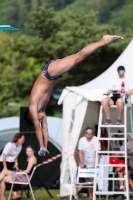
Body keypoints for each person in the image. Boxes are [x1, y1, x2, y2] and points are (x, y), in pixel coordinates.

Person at [24, 34, 124, 156]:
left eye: (37, 120)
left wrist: (40, 146)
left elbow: (38, 129)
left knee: (79, 57)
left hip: (49, 73)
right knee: (78, 58)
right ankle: (102, 42)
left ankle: (103, 40)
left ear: (31, 116)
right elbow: (44, 129)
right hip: (53, 74)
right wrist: (44, 147)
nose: (41, 120)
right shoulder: (42, 111)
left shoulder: (33, 106)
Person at [78, 127, 101, 200]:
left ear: (93, 134)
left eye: (90, 133)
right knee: (89, 179)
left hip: (94, 161)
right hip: (86, 162)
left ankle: (79, 189)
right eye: (87, 133)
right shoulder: (82, 140)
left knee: (92, 180)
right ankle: (91, 196)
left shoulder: (96, 140)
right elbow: (80, 152)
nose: (88, 134)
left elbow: (97, 153)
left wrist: (96, 163)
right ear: (85, 133)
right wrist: (82, 162)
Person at [0, 133, 25, 200]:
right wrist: (5, 167)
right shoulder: (9, 145)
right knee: (2, 179)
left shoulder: (20, 146)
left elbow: (16, 156)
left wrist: (16, 164)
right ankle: (2, 197)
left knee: (15, 175)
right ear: (18, 138)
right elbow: (4, 156)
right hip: (3, 162)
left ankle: (13, 195)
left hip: (11, 163)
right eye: (23, 139)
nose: (24, 140)